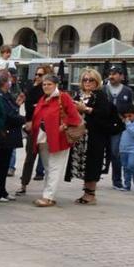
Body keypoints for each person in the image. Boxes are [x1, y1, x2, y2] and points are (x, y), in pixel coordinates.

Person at [66, 68, 121, 205]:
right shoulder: (79, 95)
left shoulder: (100, 96)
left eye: (91, 80)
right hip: (81, 137)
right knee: (84, 166)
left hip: (95, 137)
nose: (88, 82)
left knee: (93, 164)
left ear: (97, 82)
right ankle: (86, 193)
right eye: (85, 79)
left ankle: (91, 195)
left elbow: (104, 113)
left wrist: (86, 109)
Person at [29, 74, 84, 207]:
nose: (46, 86)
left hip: (58, 138)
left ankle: (48, 197)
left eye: (49, 84)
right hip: (43, 138)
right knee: (48, 168)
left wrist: (64, 125)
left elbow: (74, 117)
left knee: (54, 167)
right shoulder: (43, 98)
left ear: (56, 85)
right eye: (44, 84)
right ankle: (48, 194)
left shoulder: (63, 97)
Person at [0, 69, 26, 202]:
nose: (11, 81)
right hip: (3, 134)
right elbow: (7, 115)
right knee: (0, 164)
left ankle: (3, 190)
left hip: (9, 135)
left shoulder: (7, 94)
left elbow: (13, 110)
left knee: (4, 164)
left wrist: (18, 103)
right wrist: (25, 119)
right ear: (4, 82)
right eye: (9, 79)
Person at [17, 64, 52, 196]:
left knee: (48, 160)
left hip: (48, 129)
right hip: (34, 128)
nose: (37, 77)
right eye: (36, 74)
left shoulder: (54, 93)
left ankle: (49, 187)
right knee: (29, 157)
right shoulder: (33, 91)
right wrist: (28, 122)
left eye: (40, 75)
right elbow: (28, 110)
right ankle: (23, 184)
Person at [104, 66, 134, 190]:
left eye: (115, 73)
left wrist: (128, 119)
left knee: (115, 153)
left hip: (118, 128)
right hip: (104, 125)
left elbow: (130, 108)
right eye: (110, 73)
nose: (112, 76)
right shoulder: (103, 89)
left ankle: (116, 181)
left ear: (122, 76)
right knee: (100, 152)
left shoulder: (127, 91)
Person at [119, 107, 134, 191]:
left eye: (130, 116)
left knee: (131, 164)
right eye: (126, 117)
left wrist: (128, 123)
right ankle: (127, 184)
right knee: (125, 167)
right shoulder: (124, 123)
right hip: (123, 148)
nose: (128, 118)